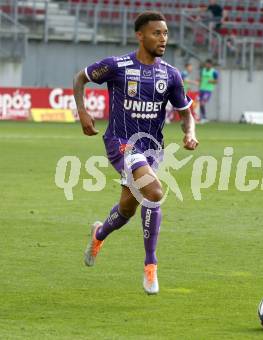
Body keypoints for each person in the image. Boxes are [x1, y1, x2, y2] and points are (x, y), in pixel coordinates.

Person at [73, 11, 199, 295]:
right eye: (157, 33)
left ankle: (98, 234)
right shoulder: (116, 66)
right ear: (140, 35)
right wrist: (82, 111)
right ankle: (150, 266)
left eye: (165, 33)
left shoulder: (171, 75)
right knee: (154, 193)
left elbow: (185, 113)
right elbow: (80, 78)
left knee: (128, 209)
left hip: (152, 149)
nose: (163, 38)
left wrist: (190, 133)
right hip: (121, 142)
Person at [199, 59, 218, 123]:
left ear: (211, 65)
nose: (207, 65)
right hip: (202, 89)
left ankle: (204, 117)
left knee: (202, 103)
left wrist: (211, 81)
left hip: (208, 90)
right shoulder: (203, 70)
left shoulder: (214, 72)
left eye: (208, 64)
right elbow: (201, 79)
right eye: (206, 64)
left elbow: (216, 81)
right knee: (200, 104)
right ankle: (203, 117)